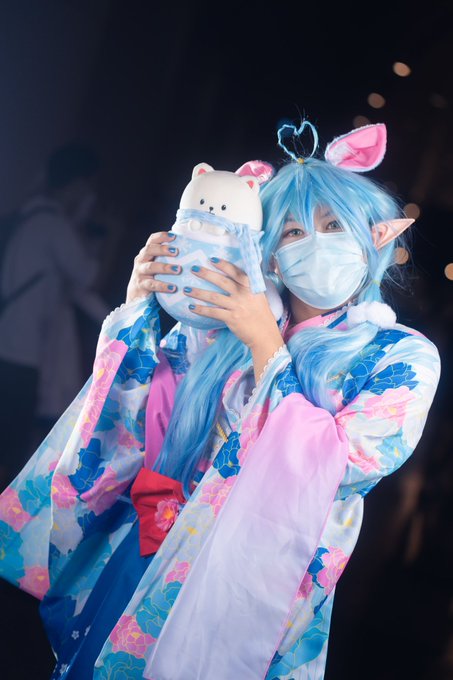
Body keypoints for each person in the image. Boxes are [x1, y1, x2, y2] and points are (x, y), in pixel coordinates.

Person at [0, 121, 440, 679]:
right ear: (269, 254)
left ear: (373, 236)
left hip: (251, 585)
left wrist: (265, 346)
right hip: (153, 554)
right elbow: (136, 429)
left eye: (334, 225)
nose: (316, 242)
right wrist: (140, 309)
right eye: (293, 231)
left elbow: (345, 464)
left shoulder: (402, 356)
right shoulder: (220, 323)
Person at [0, 142, 110, 488]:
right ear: (77, 185)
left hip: (7, 340)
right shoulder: (55, 226)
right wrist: (83, 225)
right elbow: (88, 275)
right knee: (11, 446)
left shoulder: (25, 216)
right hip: (23, 353)